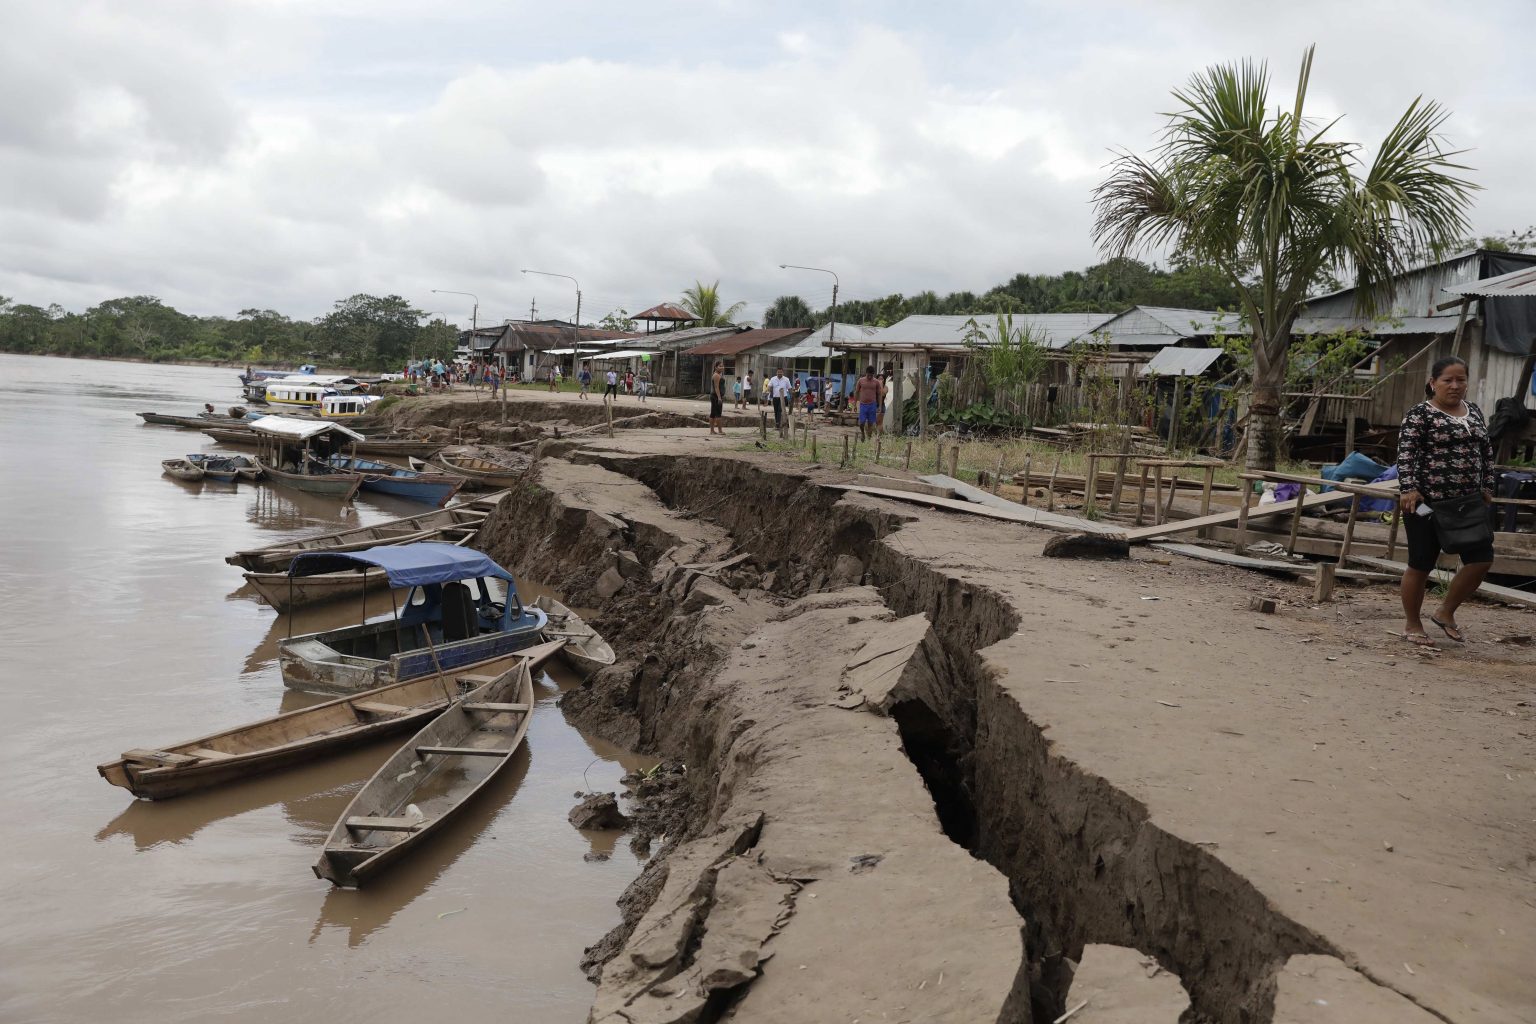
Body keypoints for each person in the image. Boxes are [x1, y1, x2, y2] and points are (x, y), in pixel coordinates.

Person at [1397, 355, 1494, 645]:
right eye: (1447, 380)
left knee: (1481, 559)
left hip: (1467, 503)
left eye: (1460, 380)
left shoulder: (1474, 411)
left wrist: (1487, 485)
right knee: (1421, 562)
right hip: (1425, 503)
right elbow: (1405, 453)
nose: (1454, 385)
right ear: (1433, 383)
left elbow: (1486, 451)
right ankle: (1413, 625)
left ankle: (1445, 612)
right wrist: (1408, 488)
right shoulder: (1420, 414)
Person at [853, 365, 884, 440]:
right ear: (866, 373)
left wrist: (879, 406)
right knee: (861, 423)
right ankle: (862, 433)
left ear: (873, 374)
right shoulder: (861, 380)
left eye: (871, 375)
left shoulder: (876, 382)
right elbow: (856, 392)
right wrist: (855, 404)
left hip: (872, 405)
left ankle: (868, 438)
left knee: (870, 423)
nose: (870, 377)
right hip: (863, 405)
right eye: (868, 375)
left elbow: (879, 394)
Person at [709, 361, 726, 435]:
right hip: (716, 396)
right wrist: (719, 398)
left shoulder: (718, 374)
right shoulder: (716, 375)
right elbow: (716, 387)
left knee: (713, 413)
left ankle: (712, 431)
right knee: (718, 413)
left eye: (722, 366)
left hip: (715, 396)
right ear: (716, 367)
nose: (722, 367)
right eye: (720, 366)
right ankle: (720, 431)